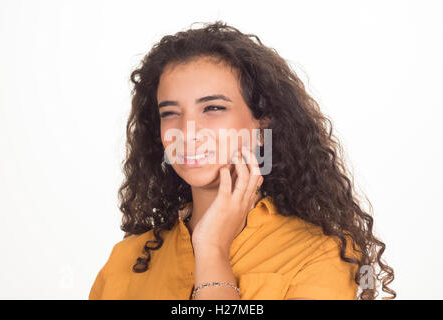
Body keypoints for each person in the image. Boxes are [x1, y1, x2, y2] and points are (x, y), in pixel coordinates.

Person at [88, 21, 395, 300]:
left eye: (212, 108)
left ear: (262, 126)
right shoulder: (127, 261)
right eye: (170, 113)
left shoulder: (321, 253)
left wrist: (212, 250)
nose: (188, 131)